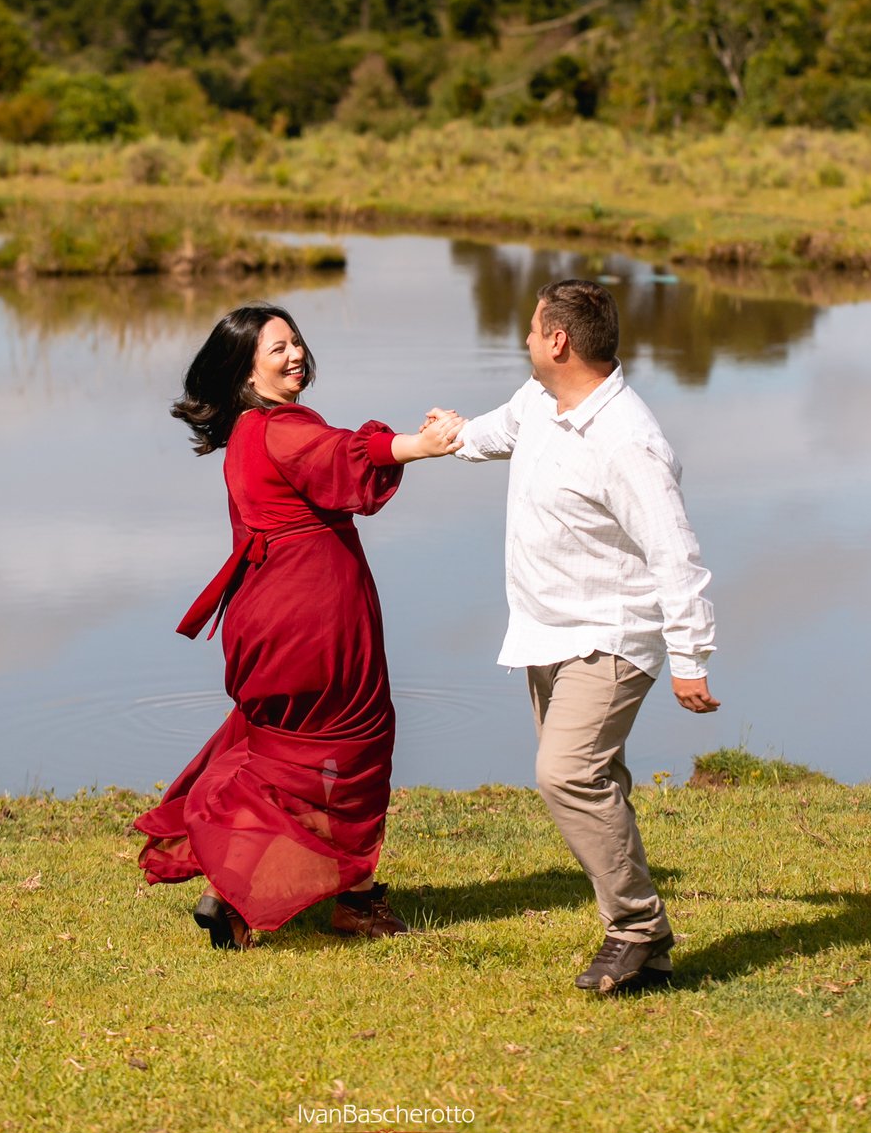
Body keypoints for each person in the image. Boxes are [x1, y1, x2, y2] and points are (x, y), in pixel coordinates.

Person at [133, 302, 462, 951]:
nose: (296, 355)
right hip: (313, 617)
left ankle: (234, 894)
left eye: (296, 342)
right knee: (353, 745)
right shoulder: (280, 430)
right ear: (245, 371)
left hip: (264, 615)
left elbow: (329, 458)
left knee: (284, 749)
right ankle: (354, 903)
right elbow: (342, 455)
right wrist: (419, 445)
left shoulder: (245, 434)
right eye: (278, 348)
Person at [446, 276, 718, 995]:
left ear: (558, 341)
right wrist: (450, 436)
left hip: (611, 635)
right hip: (545, 632)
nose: (526, 338)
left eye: (534, 328)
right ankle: (647, 960)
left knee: (566, 773)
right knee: (597, 781)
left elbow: (675, 554)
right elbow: (496, 432)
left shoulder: (628, 442)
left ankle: (637, 928)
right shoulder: (542, 400)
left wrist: (690, 656)